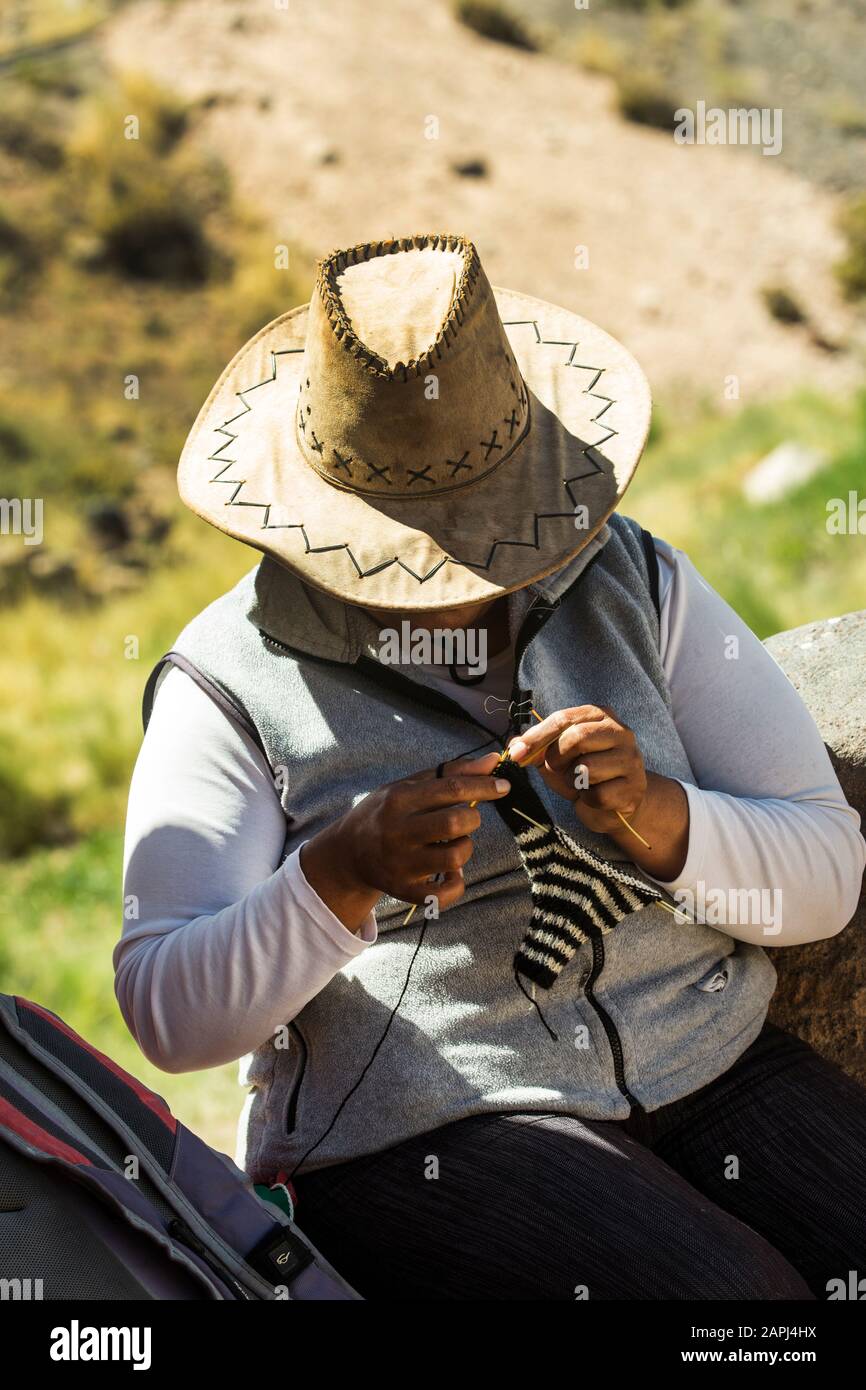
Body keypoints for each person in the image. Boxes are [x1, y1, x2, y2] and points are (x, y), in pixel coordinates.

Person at [116, 233, 866, 1300]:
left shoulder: (636, 581)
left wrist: (663, 820)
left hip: (706, 1059)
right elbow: (167, 1013)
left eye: (484, 535)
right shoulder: (229, 679)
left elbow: (824, 873)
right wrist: (337, 875)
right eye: (413, 551)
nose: (461, 579)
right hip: (424, 1124)